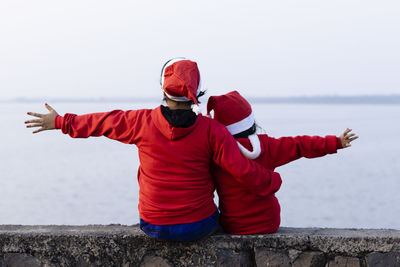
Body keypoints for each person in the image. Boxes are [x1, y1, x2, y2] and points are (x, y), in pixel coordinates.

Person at [25, 59, 282, 241]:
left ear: (163, 88)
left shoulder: (140, 122)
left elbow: (100, 122)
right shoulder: (212, 130)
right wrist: (273, 180)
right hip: (199, 226)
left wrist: (60, 122)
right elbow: (242, 170)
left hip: (153, 225)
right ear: (198, 92)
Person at [207, 91, 358, 235]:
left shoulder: (217, 155)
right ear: (251, 122)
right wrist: (335, 142)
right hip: (268, 223)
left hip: (234, 226)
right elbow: (300, 145)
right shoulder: (267, 147)